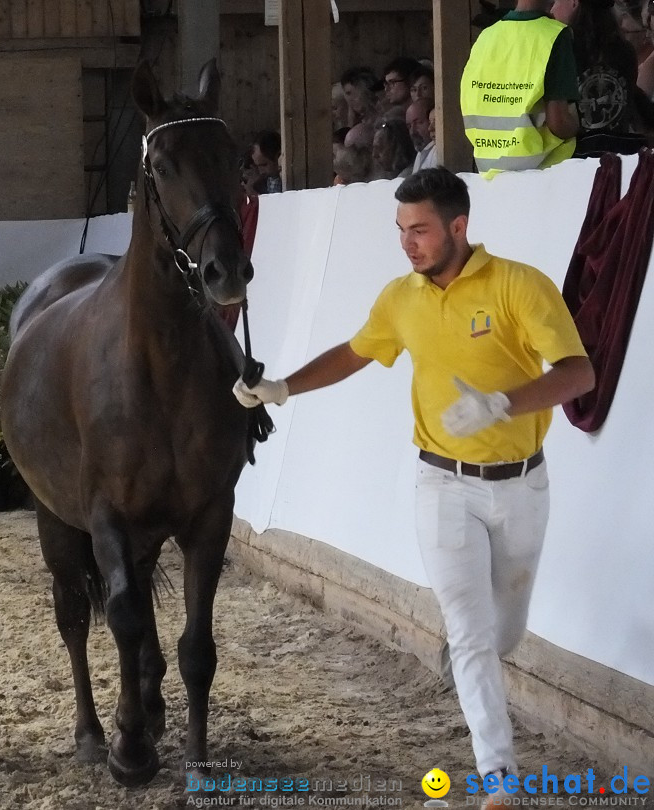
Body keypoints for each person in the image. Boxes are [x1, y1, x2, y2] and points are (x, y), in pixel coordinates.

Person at [232, 168, 595, 805]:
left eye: (420, 230)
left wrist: (502, 405)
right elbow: (356, 351)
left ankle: (470, 653)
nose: (408, 243)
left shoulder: (518, 285)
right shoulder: (401, 297)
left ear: (459, 226)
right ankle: (500, 780)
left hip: (522, 487)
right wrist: (283, 388)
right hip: (442, 486)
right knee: (473, 632)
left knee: (502, 632)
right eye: (401, 230)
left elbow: (578, 374)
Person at [460, 0, 580, 174]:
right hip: (542, 172)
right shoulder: (555, 35)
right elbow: (559, 124)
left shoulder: (485, 37)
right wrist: (578, 126)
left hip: (489, 171)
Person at [552, 0, 649, 155]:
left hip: (574, 158)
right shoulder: (625, 51)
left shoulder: (564, 50)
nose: (553, 8)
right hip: (618, 154)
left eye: (557, 1)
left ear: (574, 3)